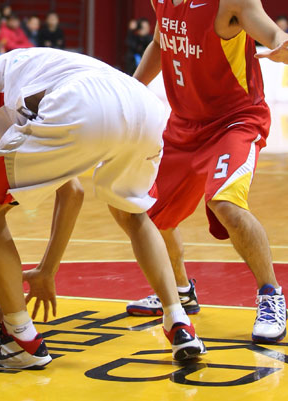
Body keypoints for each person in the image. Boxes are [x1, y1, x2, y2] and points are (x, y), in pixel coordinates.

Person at [0, 47, 206, 369]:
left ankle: (20, 339)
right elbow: (73, 192)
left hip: (80, 102)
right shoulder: (4, 88)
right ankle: (178, 319)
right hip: (143, 107)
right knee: (132, 213)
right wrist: (46, 270)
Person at [127, 0, 288, 344]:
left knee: (225, 202)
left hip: (236, 120)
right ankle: (181, 290)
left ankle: (271, 294)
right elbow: (160, 43)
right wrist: (130, 89)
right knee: (149, 212)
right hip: (185, 125)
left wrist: (280, 44)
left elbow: (269, 30)